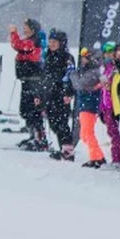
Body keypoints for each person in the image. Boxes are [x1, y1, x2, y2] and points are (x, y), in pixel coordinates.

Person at [9, 19, 46, 151]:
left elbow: (18, 45)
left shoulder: (34, 41)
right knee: (25, 109)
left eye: (26, 27)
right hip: (27, 79)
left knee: (33, 110)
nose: (23, 29)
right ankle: (32, 135)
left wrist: (14, 33)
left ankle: (39, 137)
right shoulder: (30, 40)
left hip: (34, 80)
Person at [41, 29, 76, 160]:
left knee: (61, 122)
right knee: (53, 123)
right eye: (50, 41)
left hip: (62, 94)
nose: (52, 44)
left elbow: (70, 76)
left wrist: (68, 93)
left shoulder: (67, 58)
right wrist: (40, 94)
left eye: (54, 42)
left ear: (61, 43)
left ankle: (68, 151)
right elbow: (44, 77)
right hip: (50, 94)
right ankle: (62, 147)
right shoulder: (49, 56)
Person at [70, 46, 106, 168]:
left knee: (87, 133)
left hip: (89, 106)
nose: (82, 60)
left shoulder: (93, 72)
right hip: (85, 105)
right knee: (84, 134)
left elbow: (79, 85)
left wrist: (72, 73)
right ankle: (97, 156)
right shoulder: (89, 71)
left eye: (85, 57)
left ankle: (97, 158)